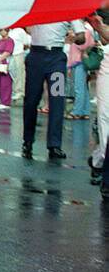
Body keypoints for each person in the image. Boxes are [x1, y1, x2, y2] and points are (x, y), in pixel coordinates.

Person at [23, 20, 85, 160]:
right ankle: (27, 140)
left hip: (56, 58)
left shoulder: (70, 10)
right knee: (31, 100)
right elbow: (27, 28)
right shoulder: (38, 7)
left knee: (57, 100)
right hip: (36, 56)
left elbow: (82, 37)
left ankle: (54, 145)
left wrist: (72, 38)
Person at [85, 10, 109, 195]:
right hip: (67, 64)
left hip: (60, 62)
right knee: (105, 118)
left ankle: (99, 160)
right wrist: (99, 27)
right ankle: (102, 161)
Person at [66, 23, 94, 120]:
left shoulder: (86, 32)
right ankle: (85, 111)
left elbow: (83, 46)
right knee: (83, 88)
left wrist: (74, 38)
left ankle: (77, 111)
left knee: (78, 88)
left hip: (80, 63)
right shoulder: (82, 32)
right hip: (77, 63)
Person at [0, 28, 15, 108]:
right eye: (0, 30)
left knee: (6, 83)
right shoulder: (0, 41)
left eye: (3, 30)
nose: (1, 32)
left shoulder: (10, 40)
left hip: (6, 63)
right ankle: (2, 101)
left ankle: (6, 102)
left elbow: (7, 52)